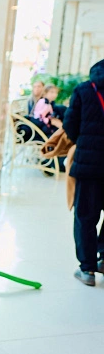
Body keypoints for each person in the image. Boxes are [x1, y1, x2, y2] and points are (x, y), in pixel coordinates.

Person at [63, 59, 104, 286]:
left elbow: (70, 124)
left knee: (86, 216)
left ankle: (87, 269)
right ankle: (103, 258)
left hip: (89, 164)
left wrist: (85, 141)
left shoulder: (83, 90)